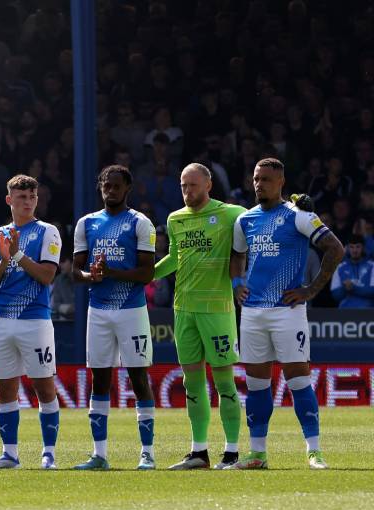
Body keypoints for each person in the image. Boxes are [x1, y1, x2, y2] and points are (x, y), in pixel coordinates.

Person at [230, 158, 344, 469]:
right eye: (256, 178)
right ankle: (257, 454)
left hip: (287, 311)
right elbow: (237, 254)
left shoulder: (299, 216)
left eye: (266, 179)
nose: (259, 184)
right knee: (255, 385)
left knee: (298, 381)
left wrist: (311, 290)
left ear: (281, 182)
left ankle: (314, 451)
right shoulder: (245, 220)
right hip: (252, 313)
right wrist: (237, 282)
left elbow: (336, 249)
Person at [154, 163, 247, 469]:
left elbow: (257, 230)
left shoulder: (232, 213)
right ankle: (199, 453)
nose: (187, 191)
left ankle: (232, 452)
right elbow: (176, 259)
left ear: (208, 185)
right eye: (183, 185)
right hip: (184, 311)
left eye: (193, 185)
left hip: (218, 311)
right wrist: (146, 275)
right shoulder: (175, 219)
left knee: (224, 382)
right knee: (192, 382)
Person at [70, 165, 158, 470]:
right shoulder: (87, 223)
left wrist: (112, 273)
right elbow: (74, 272)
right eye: (106, 185)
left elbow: (147, 273)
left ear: (127, 189)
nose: (111, 190)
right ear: (100, 187)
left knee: (138, 378)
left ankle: (147, 453)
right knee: (100, 379)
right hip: (99, 310)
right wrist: (89, 275)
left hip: (132, 311)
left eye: (116, 186)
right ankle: (99, 455)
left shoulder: (140, 223)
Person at [0, 175, 63, 470]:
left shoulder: (47, 232)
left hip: (35, 320)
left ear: (36, 200)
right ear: (9, 200)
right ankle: (9, 454)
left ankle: (49, 453)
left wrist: (16, 254)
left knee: (44, 386)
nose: (27, 202)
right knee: (5, 389)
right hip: (2, 320)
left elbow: (46, 276)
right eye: (21, 197)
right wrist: (4, 260)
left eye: (31, 197)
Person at [330, 238, 374, 307]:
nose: (355, 250)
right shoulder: (340, 267)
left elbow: (372, 291)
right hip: (345, 311)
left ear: (363, 248)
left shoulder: (372, 266)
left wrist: (353, 288)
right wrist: (345, 288)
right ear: (347, 248)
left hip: (367, 311)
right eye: (351, 247)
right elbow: (335, 294)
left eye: (358, 247)